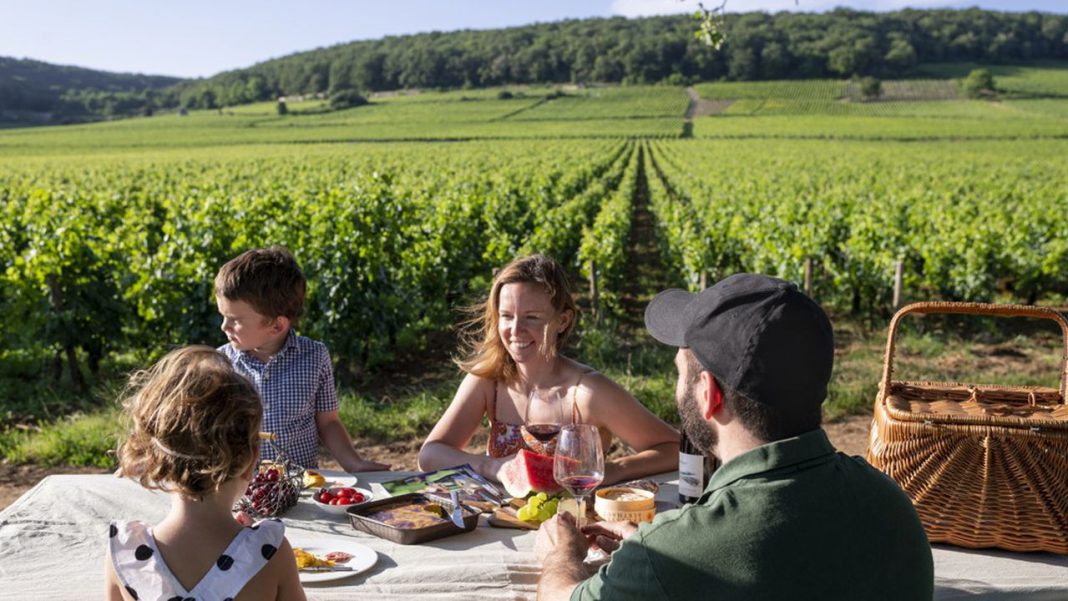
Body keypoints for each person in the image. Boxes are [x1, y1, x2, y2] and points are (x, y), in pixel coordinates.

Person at [535, 273, 934, 601]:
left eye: (680, 373)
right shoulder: (891, 506)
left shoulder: (671, 554)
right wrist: (658, 551)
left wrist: (562, 554)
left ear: (709, 395)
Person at [419, 253, 678, 485]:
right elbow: (430, 454)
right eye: (507, 316)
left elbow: (675, 448)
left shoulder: (586, 393)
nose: (515, 330)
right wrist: (492, 467)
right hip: (502, 526)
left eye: (532, 317)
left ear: (562, 321)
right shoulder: (488, 382)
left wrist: (615, 469)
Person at [105, 346, 305, 601]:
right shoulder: (270, 552)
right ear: (252, 457)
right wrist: (248, 545)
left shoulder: (125, 555)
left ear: (154, 455)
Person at [215, 247, 388, 473]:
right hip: (242, 488)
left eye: (235, 320)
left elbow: (328, 422)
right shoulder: (221, 364)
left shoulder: (314, 357)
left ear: (277, 325)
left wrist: (353, 463)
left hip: (301, 486)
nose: (224, 327)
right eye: (223, 316)